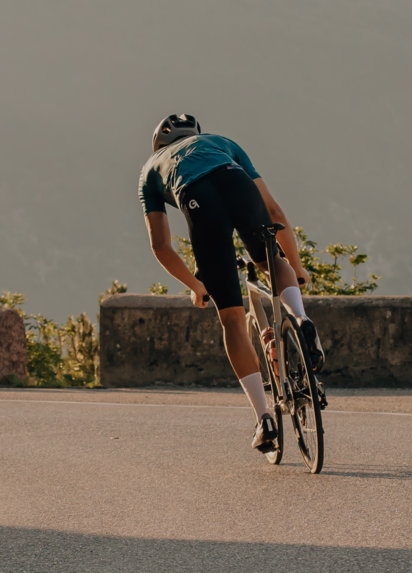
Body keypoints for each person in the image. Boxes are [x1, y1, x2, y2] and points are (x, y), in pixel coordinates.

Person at [137, 113, 324, 453]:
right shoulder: (223, 143)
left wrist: (196, 285)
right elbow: (275, 211)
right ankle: (300, 318)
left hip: (197, 199)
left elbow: (161, 246)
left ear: (159, 144)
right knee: (269, 260)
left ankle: (264, 418)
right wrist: (297, 268)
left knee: (233, 320)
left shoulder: (151, 169)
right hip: (236, 182)